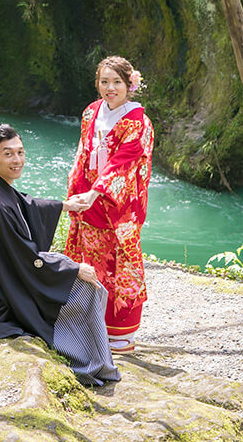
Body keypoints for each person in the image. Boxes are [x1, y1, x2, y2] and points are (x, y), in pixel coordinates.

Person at [0, 124, 120, 385]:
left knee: (68, 267)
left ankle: (95, 351)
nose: (17, 160)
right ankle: (91, 360)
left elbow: (25, 204)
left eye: (20, 152)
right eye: (8, 154)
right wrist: (75, 270)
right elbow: (27, 259)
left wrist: (65, 206)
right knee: (85, 287)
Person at [65, 55, 154, 353]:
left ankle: (120, 334)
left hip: (119, 206)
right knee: (87, 259)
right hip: (88, 200)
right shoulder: (91, 112)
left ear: (130, 85)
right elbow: (83, 151)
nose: (110, 88)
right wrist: (77, 187)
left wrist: (97, 192)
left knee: (120, 266)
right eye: (104, 82)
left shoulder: (138, 122)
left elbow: (123, 164)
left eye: (117, 82)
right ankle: (85, 324)